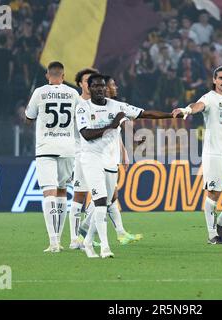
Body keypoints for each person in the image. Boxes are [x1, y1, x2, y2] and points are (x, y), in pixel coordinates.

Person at [77, 74, 178, 258]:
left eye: (102, 86)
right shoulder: (82, 107)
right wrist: (112, 125)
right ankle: (105, 247)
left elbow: (144, 113)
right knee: (99, 201)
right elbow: (86, 134)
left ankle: (88, 242)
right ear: (89, 89)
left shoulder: (116, 106)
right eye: (96, 86)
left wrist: (171, 114)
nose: (100, 89)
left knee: (105, 202)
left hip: (109, 159)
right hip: (91, 158)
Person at [172, 66, 222, 245]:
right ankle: (212, 235)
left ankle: (221, 223)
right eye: (221, 78)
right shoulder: (209, 98)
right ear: (214, 81)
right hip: (214, 155)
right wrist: (186, 110)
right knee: (214, 195)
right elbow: (197, 106)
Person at [77, 74, 143, 246]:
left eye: (111, 85)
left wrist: (124, 152)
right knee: (107, 197)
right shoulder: (90, 107)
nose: (114, 87)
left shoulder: (116, 107)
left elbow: (118, 134)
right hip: (94, 156)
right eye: (113, 84)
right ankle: (92, 232)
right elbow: (109, 131)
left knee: (110, 197)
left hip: (111, 156)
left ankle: (92, 232)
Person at [25, 61, 81, 253]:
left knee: (49, 193)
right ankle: (62, 236)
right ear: (63, 76)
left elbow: (28, 119)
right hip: (68, 148)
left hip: (46, 148)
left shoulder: (39, 92)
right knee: (62, 191)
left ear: (48, 75)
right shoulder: (73, 94)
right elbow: (81, 119)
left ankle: (54, 242)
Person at [68, 68, 99, 250]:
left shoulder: (101, 104)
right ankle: (74, 239)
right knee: (79, 196)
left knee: (100, 196)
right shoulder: (76, 103)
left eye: (93, 81)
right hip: (81, 154)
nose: (90, 84)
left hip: (99, 156)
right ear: (80, 83)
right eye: (87, 81)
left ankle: (84, 236)